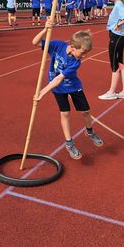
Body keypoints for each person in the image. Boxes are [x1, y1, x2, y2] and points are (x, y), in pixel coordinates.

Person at [32, 20, 103, 160]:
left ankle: (89, 131)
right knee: (65, 114)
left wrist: (42, 92)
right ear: (72, 47)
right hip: (57, 88)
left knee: (86, 111)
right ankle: (69, 143)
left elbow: (59, 78)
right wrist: (45, 29)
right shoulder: (57, 46)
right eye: (82, 53)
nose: (84, 57)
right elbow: (35, 42)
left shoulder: (76, 62)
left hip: (73, 86)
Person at [98, 0, 124, 100]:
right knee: (120, 64)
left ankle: (111, 92)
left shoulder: (118, 5)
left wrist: (118, 24)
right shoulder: (120, 4)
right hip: (120, 37)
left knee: (114, 65)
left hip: (116, 37)